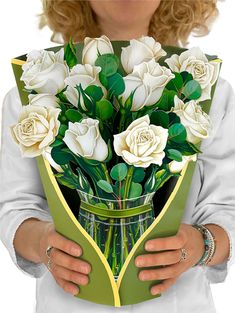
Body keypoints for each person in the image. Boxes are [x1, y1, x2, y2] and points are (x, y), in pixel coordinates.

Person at [0, 0, 234, 312]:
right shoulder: (32, 93)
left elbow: (228, 207)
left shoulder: (210, 94)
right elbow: (14, 205)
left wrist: (202, 245)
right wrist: (41, 241)